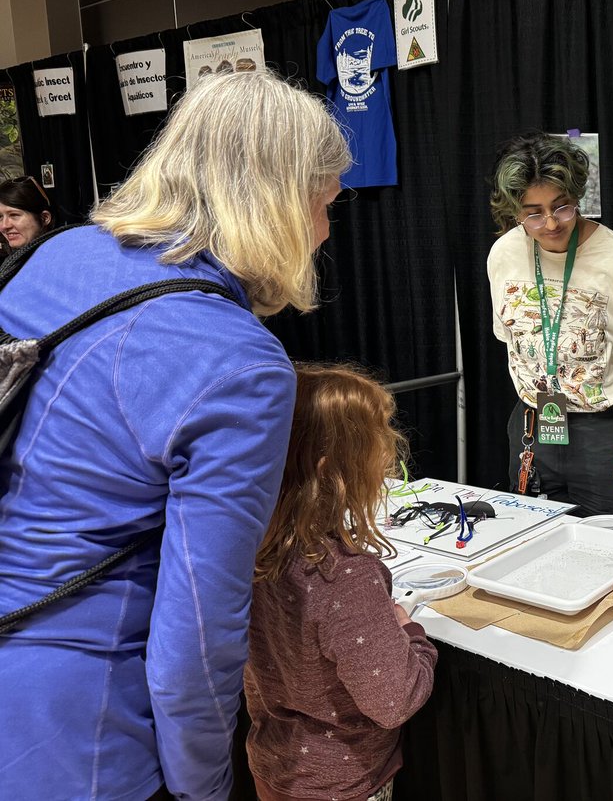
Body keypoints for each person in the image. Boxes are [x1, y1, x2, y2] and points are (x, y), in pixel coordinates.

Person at [0, 70, 350, 800]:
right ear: (282, 202)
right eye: (326, 204)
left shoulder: (54, 255)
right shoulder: (238, 362)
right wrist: (203, 789)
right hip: (78, 722)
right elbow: (194, 638)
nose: (325, 230)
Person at [245, 363, 437, 801]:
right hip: (343, 784)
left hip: (273, 767)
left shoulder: (244, 550)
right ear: (333, 470)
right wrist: (412, 635)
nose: (390, 451)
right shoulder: (347, 577)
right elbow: (395, 700)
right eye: (379, 440)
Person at [486, 132, 613, 522]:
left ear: (577, 197)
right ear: (514, 211)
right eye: (534, 213)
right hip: (532, 423)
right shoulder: (504, 254)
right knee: (533, 535)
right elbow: (510, 340)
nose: (551, 223)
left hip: (605, 429)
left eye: (562, 207)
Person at [0, 175, 54, 254]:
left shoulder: (64, 256)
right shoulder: (15, 259)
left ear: (44, 218)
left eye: (14, 215)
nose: (4, 226)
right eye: (0, 217)